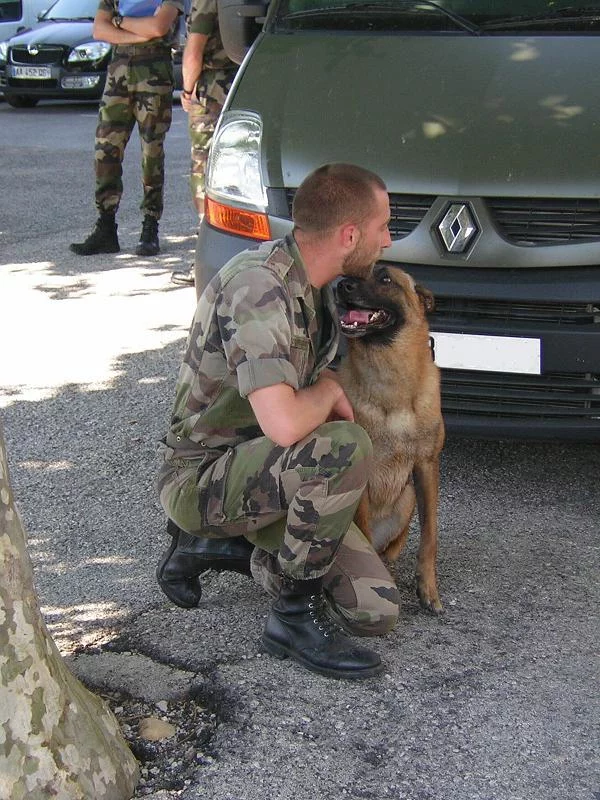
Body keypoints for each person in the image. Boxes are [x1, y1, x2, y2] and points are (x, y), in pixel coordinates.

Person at [156, 163, 399, 680]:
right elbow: (287, 426)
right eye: (383, 227)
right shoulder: (258, 287)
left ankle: (221, 546)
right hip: (203, 479)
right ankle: (291, 617)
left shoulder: (316, 287)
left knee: (374, 610)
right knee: (343, 445)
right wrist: (330, 389)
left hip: (269, 472)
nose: (388, 241)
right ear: (349, 235)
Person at [70, 0, 184, 259]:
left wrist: (119, 22)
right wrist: (141, 32)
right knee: (105, 149)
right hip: (118, 73)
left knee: (151, 152)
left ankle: (150, 226)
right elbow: (99, 30)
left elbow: (158, 27)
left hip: (154, 73)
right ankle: (106, 227)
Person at [171, 0, 237, 286]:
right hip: (241, 82)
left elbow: (194, 48)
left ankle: (203, 259)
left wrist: (187, 90)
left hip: (212, 91)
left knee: (204, 171)